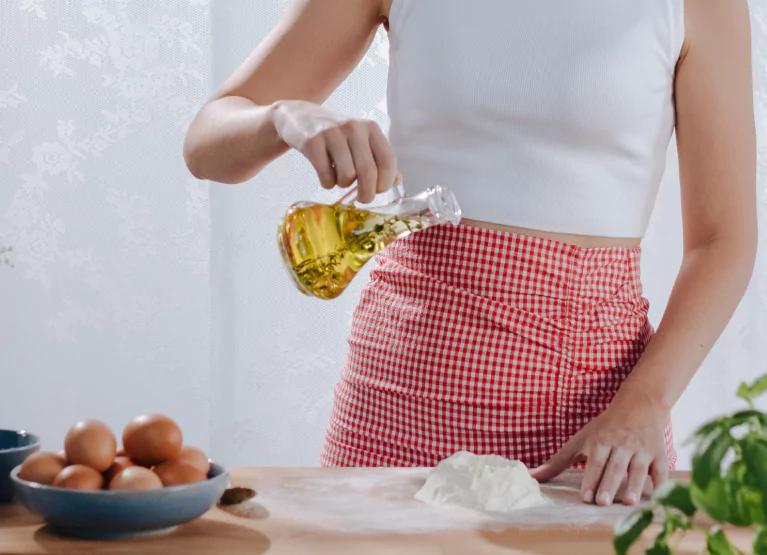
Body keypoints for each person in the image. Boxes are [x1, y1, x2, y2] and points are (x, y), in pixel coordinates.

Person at [183, 0, 757, 507]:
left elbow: (723, 238)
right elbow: (207, 143)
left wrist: (647, 401)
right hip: (403, 387)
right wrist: (286, 116)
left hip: (593, 415)